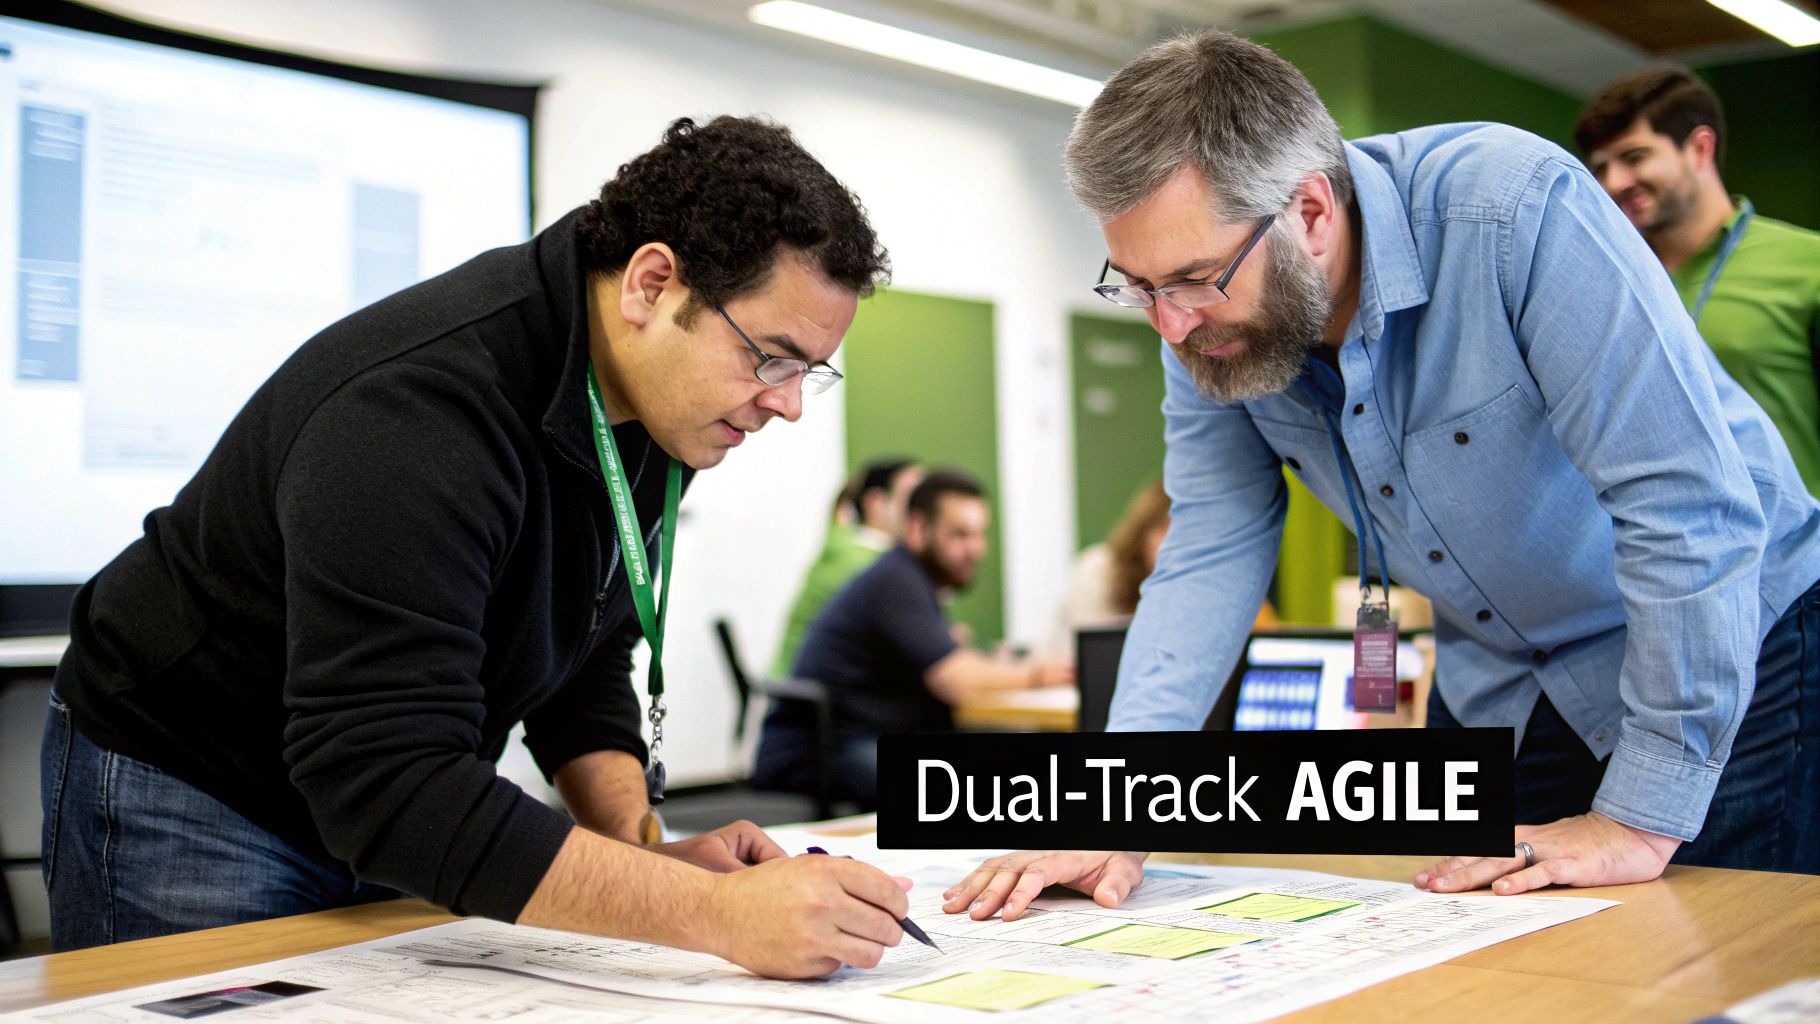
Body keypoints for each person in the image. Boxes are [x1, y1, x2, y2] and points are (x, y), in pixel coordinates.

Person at [943, 31, 1820, 925]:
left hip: (1723, 642)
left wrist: (1638, 814)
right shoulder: (1203, 323)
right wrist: (1119, 808)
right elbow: (1208, 546)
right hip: (1506, 677)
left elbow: (1684, 505)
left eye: (1194, 280)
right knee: (1489, 959)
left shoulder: (1514, 211)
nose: (1169, 325)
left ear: (1312, 214)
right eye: (1136, 287)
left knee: (1709, 953)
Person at [43, 115, 916, 979]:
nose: (788, 404)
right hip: (197, 784)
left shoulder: (659, 404)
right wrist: (714, 913)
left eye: (811, 372)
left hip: (368, 793)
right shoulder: (417, 416)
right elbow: (386, 782)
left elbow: (581, 649)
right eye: (773, 358)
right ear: (653, 284)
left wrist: (642, 852)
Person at [753, 469, 1074, 806]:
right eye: (960, 535)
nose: (976, 549)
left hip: (863, 739)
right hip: (826, 751)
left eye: (980, 534)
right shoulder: (896, 581)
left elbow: (947, 660)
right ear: (919, 528)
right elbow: (956, 681)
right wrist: (1037, 674)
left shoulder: (910, 578)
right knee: (990, 788)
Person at [1575, 68, 1820, 498]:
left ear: (1700, 149)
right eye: (1601, 167)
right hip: (1658, 552)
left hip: (1794, 556)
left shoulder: (1808, 264)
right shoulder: (1605, 284)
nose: (1613, 183)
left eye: (1634, 158)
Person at [1046, 479, 1274, 655]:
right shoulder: (1099, 571)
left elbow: (1261, 643)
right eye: (1165, 529)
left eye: (1190, 532)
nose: (1176, 544)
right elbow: (1093, 658)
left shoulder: (1215, 579)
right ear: (1142, 533)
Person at [771, 457, 924, 676]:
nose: (923, 507)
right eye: (912, 496)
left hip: (796, 685)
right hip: (813, 693)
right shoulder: (867, 564)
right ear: (876, 503)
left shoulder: (846, 542)